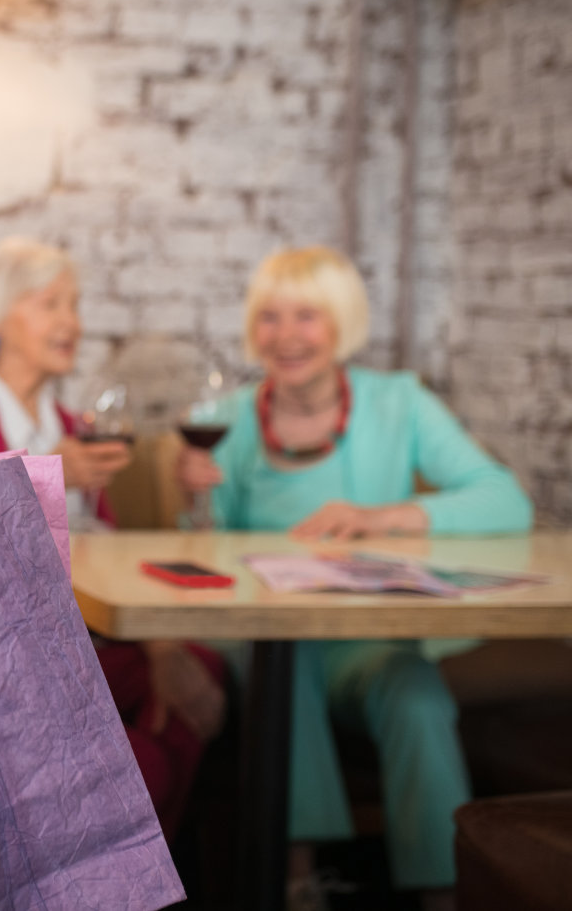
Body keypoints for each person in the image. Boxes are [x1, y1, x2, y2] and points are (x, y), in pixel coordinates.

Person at [176, 245, 533, 905]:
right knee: (285, 658)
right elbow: (205, 556)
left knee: (416, 694)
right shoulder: (224, 421)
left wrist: (387, 516)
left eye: (306, 316)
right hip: (271, 636)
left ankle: (447, 893)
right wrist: (195, 499)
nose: (285, 336)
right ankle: (297, 880)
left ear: (341, 323)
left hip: (368, 638)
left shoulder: (399, 401)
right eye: (270, 317)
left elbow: (506, 500)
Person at [0, 237, 227, 838]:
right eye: (50, 304)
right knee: (145, 762)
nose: (71, 323)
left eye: (75, 306)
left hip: (81, 639)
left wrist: (160, 647)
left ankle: (143, 858)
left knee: (203, 665)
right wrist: (44, 476)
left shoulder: (80, 426)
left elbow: (105, 555)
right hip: (1, 654)